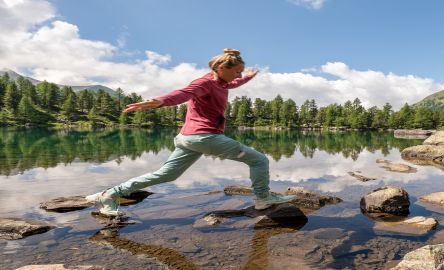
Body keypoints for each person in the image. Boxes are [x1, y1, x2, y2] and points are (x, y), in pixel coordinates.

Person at [86, 48, 296, 216]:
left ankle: (110, 194)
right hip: (205, 137)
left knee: (167, 174)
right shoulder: (204, 82)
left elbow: (235, 83)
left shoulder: (222, 83)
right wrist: (161, 101)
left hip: (187, 139)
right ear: (222, 67)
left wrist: (248, 77)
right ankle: (263, 198)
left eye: (240, 72)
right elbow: (185, 93)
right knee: (259, 160)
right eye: (237, 71)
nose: (238, 75)